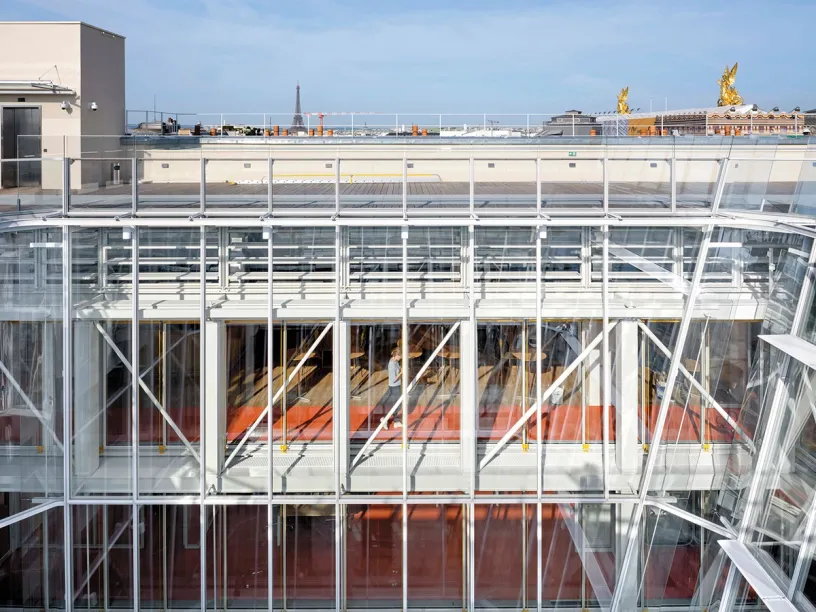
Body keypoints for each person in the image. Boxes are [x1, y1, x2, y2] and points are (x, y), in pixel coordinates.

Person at [377, 348, 402, 429]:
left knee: (396, 404)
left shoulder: (396, 362)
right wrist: (402, 372)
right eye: (400, 356)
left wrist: (401, 369)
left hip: (397, 385)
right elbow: (394, 379)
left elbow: (398, 370)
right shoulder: (391, 364)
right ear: (396, 355)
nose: (401, 358)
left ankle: (396, 421)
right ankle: (384, 419)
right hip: (394, 387)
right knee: (396, 404)